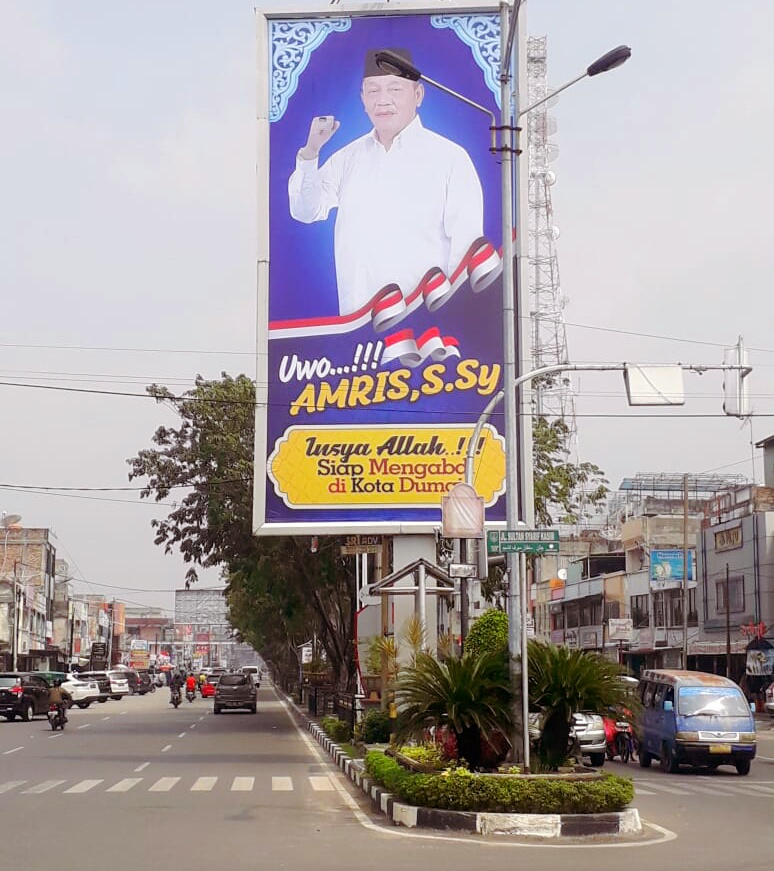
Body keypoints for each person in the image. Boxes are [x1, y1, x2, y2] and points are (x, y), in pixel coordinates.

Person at [288, 48, 484, 317]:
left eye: (395, 89)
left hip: (427, 320)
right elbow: (305, 211)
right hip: (356, 323)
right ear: (362, 99)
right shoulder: (347, 158)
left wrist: (451, 314)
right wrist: (311, 152)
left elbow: (466, 247)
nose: (383, 101)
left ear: (418, 95)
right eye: (373, 91)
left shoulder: (450, 158)